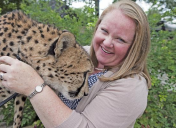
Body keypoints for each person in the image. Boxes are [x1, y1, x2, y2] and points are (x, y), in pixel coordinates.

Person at [0, 0, 151, 127]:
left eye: (120, 39)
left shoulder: (132, 87)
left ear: (135, 47)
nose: (107, 42)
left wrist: (34, 86)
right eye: (104, 31)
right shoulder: (80, 54)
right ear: (97, 27)